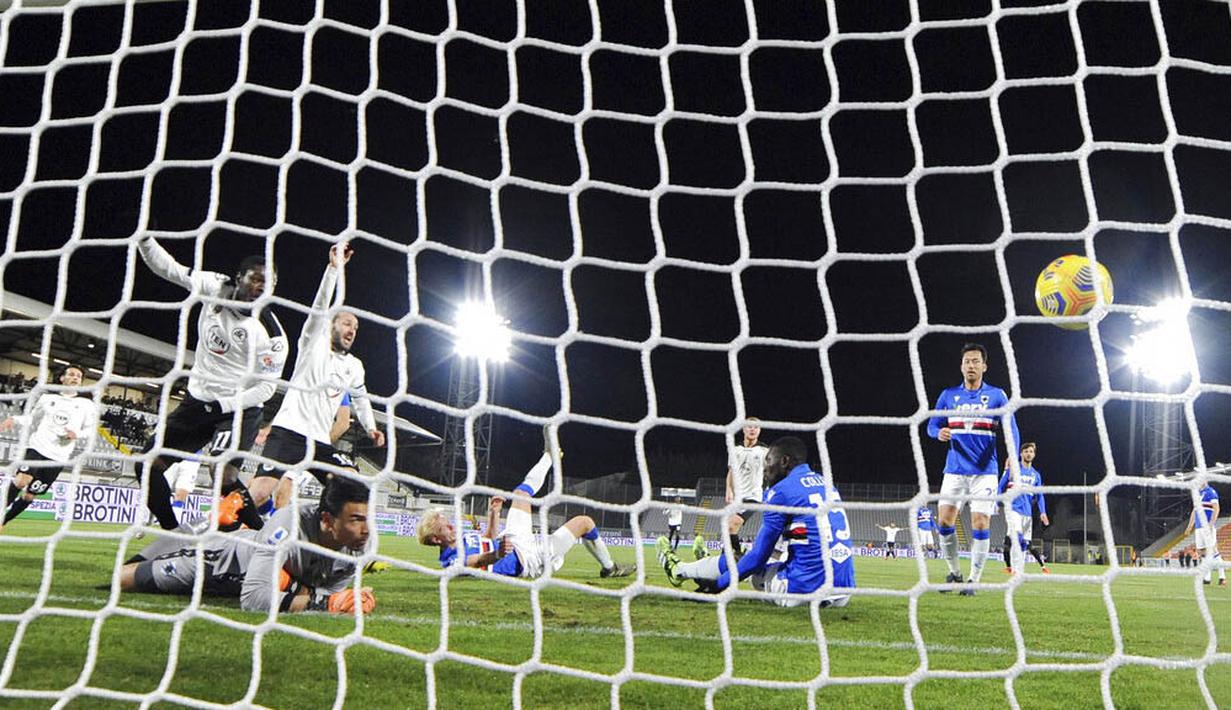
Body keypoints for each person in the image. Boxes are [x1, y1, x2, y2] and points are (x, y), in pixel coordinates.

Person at [134, 235, 287, 531]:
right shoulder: (214, 286)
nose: (262, 288)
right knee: (146, 463)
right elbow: (169, 269)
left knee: (222, 474)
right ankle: (173, 533)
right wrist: (145, 239)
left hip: (239, 409)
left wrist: (225, 403)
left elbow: (266, 389)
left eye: (270, 283)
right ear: (239, 278)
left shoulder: (273, 335)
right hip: (197, 402)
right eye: (256, 279)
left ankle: (261, 539)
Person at [249, 242, 385, 512]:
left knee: (354, 485)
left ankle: (325, 536)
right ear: (331, 325)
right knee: (261, 493)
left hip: (320, 442)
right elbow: (319, 309)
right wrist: (333, 270)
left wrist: (370, 427)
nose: (352, 330)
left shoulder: (355, 366)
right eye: (346, 323)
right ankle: (216, 536)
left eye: (356, 327)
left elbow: (360, 399)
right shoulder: (313, 344)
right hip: (289, 432)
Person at [120, 475, 376, 614]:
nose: (366, 530)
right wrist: (327, 604)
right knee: (122, 577)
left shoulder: (363, 541)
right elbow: (253, 599)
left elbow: (327, 592)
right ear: (327, 520)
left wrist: (346, 600)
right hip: (224, 561)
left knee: (288, 584)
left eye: (368, 519)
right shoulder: (290, 523)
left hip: (276, 572)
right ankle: (211, 521)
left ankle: (227, 522)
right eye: (356, 519)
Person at [656, 436, 856, 608]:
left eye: (768, 461)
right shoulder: (828, 485)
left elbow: (758, 557)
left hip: (800, 592)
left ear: (784, 461)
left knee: (741, 561)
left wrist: (718, 587)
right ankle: (704, 565)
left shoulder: (781, 491)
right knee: (772, 552)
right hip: (842, 592)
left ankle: (680, 570)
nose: (764, 468)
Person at [417, 429, 634, 580]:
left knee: (521, 494)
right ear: (436, 539)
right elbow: (476, 561)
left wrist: (494, 514)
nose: (452, 526)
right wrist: (498, 554)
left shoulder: (462, 539)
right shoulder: (450, 561)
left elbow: (489, 539)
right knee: (585, 522)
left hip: (512, 540)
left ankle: (550, 456)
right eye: (446, 527)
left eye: (448, 522)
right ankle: (610, 568)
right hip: (527, 560)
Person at [927, 343, 1021, 595]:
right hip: (954, 470)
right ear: (961, 366)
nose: (971, 365)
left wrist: (1012, 455)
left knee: (980, 524)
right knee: (944, 522)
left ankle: (973, 580)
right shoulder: (948, 395)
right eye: (967, 361)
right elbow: (931, 425)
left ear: (984, 366)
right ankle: (954, 573)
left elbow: (1011, 428)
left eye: (976, 361)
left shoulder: (997, 395)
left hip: (985, 472)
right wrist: (939, 432)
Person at [0, 365, 97, 531]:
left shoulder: (87, 404)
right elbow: (31, 418)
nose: (75, 378)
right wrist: (14, 419)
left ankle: (4, 522)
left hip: (59, 457)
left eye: (78, 376)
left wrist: (77, 434)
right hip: (37, 447)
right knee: (21, 480)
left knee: (30, 495)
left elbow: (90, 430)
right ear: (62, 378)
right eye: (72, 374)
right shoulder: (47, 398)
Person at [997, 441, 1050, 575]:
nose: (1028, 453)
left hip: (1027, 513)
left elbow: (1040, 496)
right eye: (1026, 451)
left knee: (1025, 544)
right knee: (1017, 535)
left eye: (1031, 451)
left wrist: (1043, 512)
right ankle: (1014, 569)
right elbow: (1000, 486)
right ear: (1021, 454)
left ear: (1034, 455)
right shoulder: (1013, 469)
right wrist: (997, 503)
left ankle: (1018, 571)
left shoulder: (1036, 475)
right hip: (1013, 509)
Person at [719, 418, 767, 558]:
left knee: (732, 523)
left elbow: (772, 472)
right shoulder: (735, 450)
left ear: (759, 430)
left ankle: (734, 556)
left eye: (756, 427)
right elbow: (731, 471)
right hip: (738, 497)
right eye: (749, 427)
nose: (752, 429)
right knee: (728, 528)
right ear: (744, 429)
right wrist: (728, 488)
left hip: (753, 497)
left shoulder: (764, 450)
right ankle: (733, 556)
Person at [1183, 481, 1225, 586]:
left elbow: (1216, 508)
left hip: (1206, 526)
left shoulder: (1211, 492)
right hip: (1198, 527)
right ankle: (1207, 578)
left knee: (1213, 550)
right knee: (1202, 552)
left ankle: (1222, 577)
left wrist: (1211, 524)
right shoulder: (1198, 494)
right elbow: (1194, 511)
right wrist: (1189, 526)